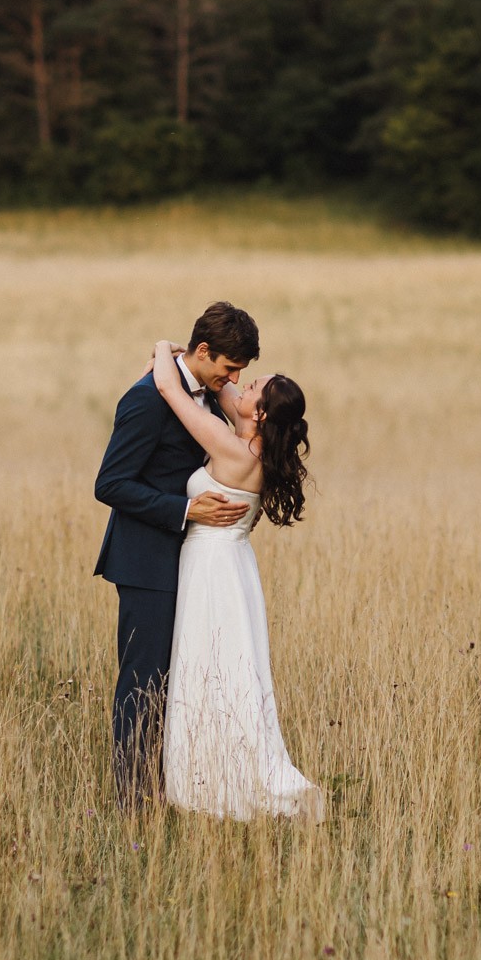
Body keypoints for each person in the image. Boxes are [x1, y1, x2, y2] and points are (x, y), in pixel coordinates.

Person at [149, 338, 323, 822]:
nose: (240, 385)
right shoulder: (254, 443)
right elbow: (221, 388)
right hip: (234, 566)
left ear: (260, 414)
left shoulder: (234, 449)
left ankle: (213, 784)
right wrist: (201, 362)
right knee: (227, 667)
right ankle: (212, 774)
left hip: (212, 568)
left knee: (209, 667)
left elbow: (170, 388)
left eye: (252, 387)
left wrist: (164, 348)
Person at [94, 301, 259, 805]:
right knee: (143, 681)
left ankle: (173, 787)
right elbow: (110, 484)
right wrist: (186, 510)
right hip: (145, 563)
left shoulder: (204, 393)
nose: (234, 380)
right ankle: (134, 799)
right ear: (204, 351)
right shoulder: (147, 398)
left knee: (175, 681)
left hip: (188, 563)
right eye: (229, 368)